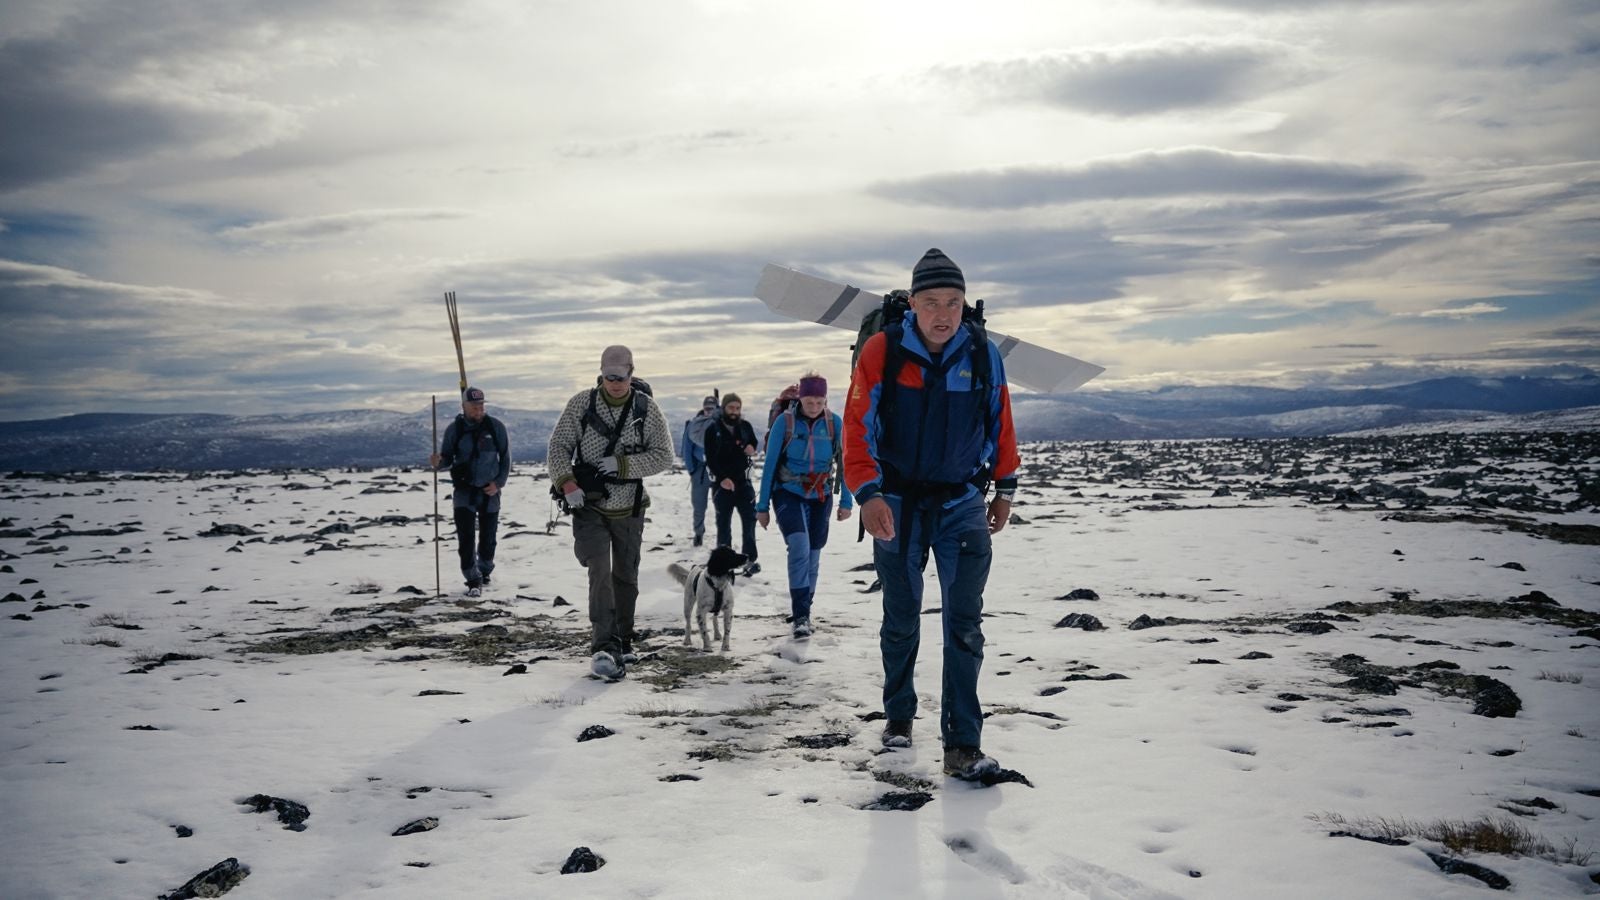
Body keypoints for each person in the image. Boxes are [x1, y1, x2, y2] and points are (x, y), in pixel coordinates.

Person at [843, 248, 1020, 780]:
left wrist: (1005, 488)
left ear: (965, 305)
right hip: (895, 505)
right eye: (932, 302)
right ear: (913, 304)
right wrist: (868, 494)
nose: (943, 313)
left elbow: (1001, 421)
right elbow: (857, 426)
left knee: (965, 625)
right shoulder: (882, 351)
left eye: (953, 302)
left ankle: (962, 745)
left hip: (962, 503)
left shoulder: (983, 353)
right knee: (901, 619)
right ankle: (899, 716)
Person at [547, 345, 674, 680]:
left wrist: (622, 465)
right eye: (609, 377)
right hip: (588, 505)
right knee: (600, 571)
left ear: (632, 373)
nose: (615, 383)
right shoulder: (581, 404)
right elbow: (559, 446)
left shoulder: (646, 408)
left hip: (630, 507)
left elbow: (664, 455)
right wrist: (567, 483)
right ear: (601, 374)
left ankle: (623, 639)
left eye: (621, 376)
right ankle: (603, 647)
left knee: (626, 576)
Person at [756, 373, 853, 638]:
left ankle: (805, 609)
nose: (814, 406)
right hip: (788, 492)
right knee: (799, 546)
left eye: (819, 401)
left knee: (814, 552)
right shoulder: (785, 423)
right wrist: (762, 507)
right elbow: (770, 465)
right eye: (809, 401)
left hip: (821, 495)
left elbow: (845, 463)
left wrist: (846, 501)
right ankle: (800, 615)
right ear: (801, 399)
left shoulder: (834, 424)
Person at [430, 386, 510, 597]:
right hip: (464, 491)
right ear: (464, 406)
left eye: (481, 405)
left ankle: (484, 571)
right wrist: (438, 462)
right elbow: (447, 458)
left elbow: (505, 458)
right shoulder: (454, 430)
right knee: (465, 538)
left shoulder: (495, 427)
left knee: (488, 538)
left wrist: (498, 483)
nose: (479, 409)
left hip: (490, 492)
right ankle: (472, 579)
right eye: (474, 406)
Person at [703, 392, 761, 576]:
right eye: (731, 408)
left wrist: (751, 448)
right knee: (723, 525)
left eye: (737, 408)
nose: (734, 411)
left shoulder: (745, 426)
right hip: (722, 486)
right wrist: (722, 479)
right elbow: (710, 458)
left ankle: (749, 560)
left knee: (749, 522)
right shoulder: (713, 429)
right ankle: (724, 564)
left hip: (744, 483)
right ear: (724, 408)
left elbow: (753, 443)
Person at [680, 395, 719, 547]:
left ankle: (722, 534)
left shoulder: (723, 423)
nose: (709, 411)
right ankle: (698, 533)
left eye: (712, 408)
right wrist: (692, 470)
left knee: (721, 504)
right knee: (699, 504)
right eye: (707, 408)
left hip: (719, 470)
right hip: (700, 470)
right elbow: (687, 448)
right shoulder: (693, 425)